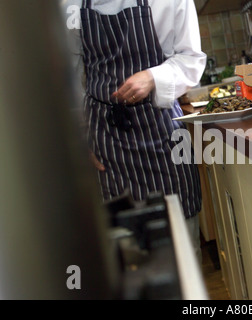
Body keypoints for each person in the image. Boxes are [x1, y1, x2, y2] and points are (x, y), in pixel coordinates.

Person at [61, 0, 207, 260]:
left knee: (181, 251)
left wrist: (154, 77)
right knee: (124, 253)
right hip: (105, 142)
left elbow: (191, 59)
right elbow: (68, 77)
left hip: (162, 133)